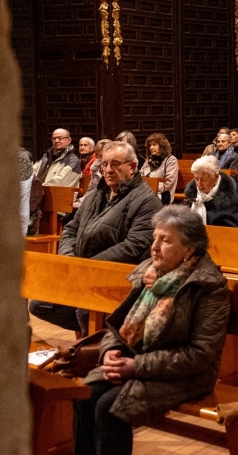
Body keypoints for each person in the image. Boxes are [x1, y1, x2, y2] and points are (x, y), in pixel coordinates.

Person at [74, 206, 230, 455]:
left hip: (187, 375)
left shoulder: (208, 286)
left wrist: (136, 365)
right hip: (138, 361)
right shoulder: (151, 273)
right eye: (155, 237)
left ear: (189, 249)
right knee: (85, 394)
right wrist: (111, 351)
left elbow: (200, 354)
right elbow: (118, 325)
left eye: (165, 240)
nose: (154, 246)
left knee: (110, 406)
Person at [29, 141, 163, 336]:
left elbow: (134, 246)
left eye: (115, 164)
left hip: (116, 277)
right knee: (40, 305)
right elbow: (71, 229)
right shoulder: (95, 194)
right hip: (83, 272)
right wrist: (70, 260)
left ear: (132, 166)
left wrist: (90, 267)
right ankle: (96, 337)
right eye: (104, 164)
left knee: (86, 311)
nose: (108, 170)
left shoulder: (146, 201)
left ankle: (96, 341)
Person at [183, 155, 238, 227]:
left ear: (216, 177)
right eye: (196, 179)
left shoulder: (229, 197)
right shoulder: (192, 195)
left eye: (204, 179)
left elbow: (230, 230)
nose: (199, 184)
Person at [73, 138, 112, 211]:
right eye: (99, 156)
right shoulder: (95, 167)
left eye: (103, 155)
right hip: (94, 198)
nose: (101, 159)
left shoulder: (115, 169)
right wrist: (83, 200)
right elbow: (91, 188)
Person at [140, 133, 179, 204]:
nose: (151, 148)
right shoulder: (149, 159)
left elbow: (168, 183)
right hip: (146, 191)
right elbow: (141, 173)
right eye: (150, 145)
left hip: (163, 194)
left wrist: (151, 188)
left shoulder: (171, 160)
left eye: (154, 145)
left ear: (162, 146)